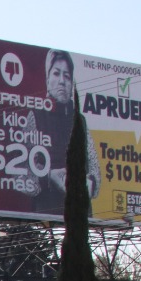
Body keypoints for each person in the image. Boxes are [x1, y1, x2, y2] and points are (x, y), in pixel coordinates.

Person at [28, 49, 99, 215]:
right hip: (47, 207)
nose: (62, 81)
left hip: (80, 210)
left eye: (67, 76)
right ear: (47, 78)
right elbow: (23, 171)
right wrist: (49, 177)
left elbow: (94, 165)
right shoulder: (36, 115)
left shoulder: (79, 120)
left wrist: (91, 183)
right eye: (56, 73)